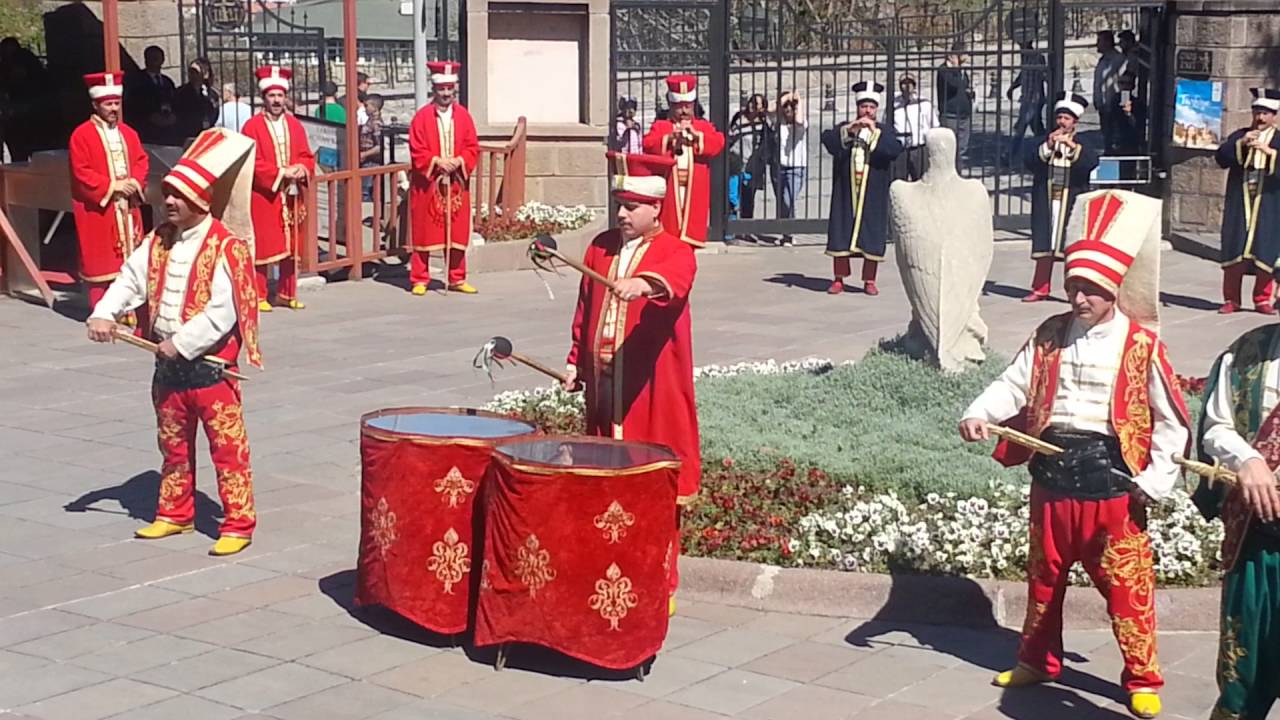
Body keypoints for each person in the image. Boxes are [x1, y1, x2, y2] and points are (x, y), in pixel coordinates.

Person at [959, 189, 1190, 720]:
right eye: (1074, 288)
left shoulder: (1142, 345)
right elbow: (1013, 383)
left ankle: (1142, 679)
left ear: (1112, 289)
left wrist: (1153, 481)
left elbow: (1171, 421)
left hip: (1113, 482)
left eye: (1090, 289)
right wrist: (979, 411)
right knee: (1044, 578)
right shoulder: (1049, 333)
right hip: (1051, 474)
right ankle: (1038, 660)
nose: (1079, 298)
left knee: (1127, 587)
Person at [85, 127, 263, 557]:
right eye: (167, 194)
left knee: (228, 449)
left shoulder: (226, 246)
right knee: (173, 446)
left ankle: (238, 522)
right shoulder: (158, 240)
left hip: (210, 369)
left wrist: (182, 342)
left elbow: (224, 310)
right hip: (167, 368)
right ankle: (175, 513)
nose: (168, 201)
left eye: (178, 196)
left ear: (200, 200)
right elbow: (130, 279)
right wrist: (104, 313)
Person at [561, 150, 698, 616]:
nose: (622, 213)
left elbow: (675, 282)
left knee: (652, 486)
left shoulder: (675, 250)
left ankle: (662, 578)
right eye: (619, 204)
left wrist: (644, 284)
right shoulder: (599, 247)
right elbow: (584, 313)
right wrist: (575, 365)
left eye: (632, 206)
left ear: (656, 208)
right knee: (604, 485)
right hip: (604, 392)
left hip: (649, 393)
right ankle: (606, 568)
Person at [1194, 321, 1280, 720]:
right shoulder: (1246, 353)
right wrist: (1248, 458)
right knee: (1242, 671)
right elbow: (1216, 427)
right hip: (1257, 541)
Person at [69, 73, 149, 312]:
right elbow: (80, 171)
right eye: (108, 104)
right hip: (100, 209)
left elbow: (141, 160)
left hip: (127, 208)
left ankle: (129, 308)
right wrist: (112, 186)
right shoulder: (81, 135)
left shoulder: (129, 133)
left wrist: (134, 182)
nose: (114, 108)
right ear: (95, 104)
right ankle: (101, 311)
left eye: (117, 103)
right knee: (101, 263)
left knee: (130, 261)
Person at [240, 66, 315, 312]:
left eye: (280, 96)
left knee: (293, 244)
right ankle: (260, 294)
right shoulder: (251, 126)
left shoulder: (295, 125)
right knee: (264, 244)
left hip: (292, 194)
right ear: (264, 97)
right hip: (266, 194)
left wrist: (302, 168)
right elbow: (251, 161)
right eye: (272, 96)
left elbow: (306, 155)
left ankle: (287, 292)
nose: (276, 100)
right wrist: (281, 172)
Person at [822, 81, 902, 296]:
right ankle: (839, 278)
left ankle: (869, 280)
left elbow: (894, 150)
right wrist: (850, 131)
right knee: (842, 231)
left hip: (872, 192)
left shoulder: (885, 131)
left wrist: (874, 134)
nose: (867, 111)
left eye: (871, 107)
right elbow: (828, 141)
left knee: (872, 233)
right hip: (847, 191)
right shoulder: (846, 127)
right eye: (864, 106)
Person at [408, 60, 480, 295]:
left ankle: (457, 277)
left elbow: (472, 147)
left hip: (457, 184)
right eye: (442, 89)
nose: (446, 93)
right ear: (434, 90)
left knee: (457, 232)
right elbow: (417, 149)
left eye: (450, 89)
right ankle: (420, 278)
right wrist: (437, 162)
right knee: (424, 231)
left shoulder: (464, 116)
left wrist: (459, 161)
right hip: (429, 185)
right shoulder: (421, 117)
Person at [1023, 92, 1099, 302]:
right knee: (1044, 245)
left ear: (1074, 121)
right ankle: (1040, 288)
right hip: (1046, 199)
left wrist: (1073, 147)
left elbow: (1091, 163)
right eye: (1059, 118)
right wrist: (1048, 145)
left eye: (1066, 118)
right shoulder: (1044, 140)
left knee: (1071, 249)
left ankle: (1075, 292)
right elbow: (1030, 162)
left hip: (1071, 199)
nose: (1061, 122)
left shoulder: (1083, 142)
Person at [1216, 88, 1280, 315]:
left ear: (1274, 116)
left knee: (1266, 250)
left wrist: (1270, 153)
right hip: (1240, 201)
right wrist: (1241, 144)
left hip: (1268, 203)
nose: (1260, 118)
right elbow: (1221, 158)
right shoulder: (1240, 134)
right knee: (1235, 250)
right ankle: (1231, 299)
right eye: (1257, 112)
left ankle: (1262, 299)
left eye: (1266, 113)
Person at [642, 73, 726, 248]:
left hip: (694, 189)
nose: (684, 111)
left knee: (690, 230)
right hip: (670, 188)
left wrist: (697, 138)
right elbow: (648, 144)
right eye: (679, 107)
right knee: (668, 233)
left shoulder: (703, 126)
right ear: (671, 106)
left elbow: (718, 142)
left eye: (687, 106)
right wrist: (670, 138)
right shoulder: (661, 126)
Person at [726, 93, 770, 243]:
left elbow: (766, 144)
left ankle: (746, 230)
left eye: (756, 103)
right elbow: (730, 137)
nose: (752, 105)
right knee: (732, 197)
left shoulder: (763, 123)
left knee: (748, 198)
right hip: (735, 162)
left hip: (752, 165)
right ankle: (730, 231)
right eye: (751, 102)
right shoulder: (739, 118)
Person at [772, 91, 807, 245]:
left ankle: (790, 232)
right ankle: (787, 234)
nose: (788, 110)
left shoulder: (801, 124)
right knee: (782, 202)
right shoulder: (778, 123)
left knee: (788, 199)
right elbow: (771, 110)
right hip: (779, 167)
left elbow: (799, 120)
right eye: (785, 107)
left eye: (791, 107)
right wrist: (785, 98)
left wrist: (799, 100)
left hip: (796, 168)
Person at [124, 45, 178, 145]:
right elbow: (133, 105)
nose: (155, 62)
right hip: (147, 131)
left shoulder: (167, 82)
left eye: (157, 58)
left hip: (167, 132)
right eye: (152, 58)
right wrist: (149, 117)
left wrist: (173, 116)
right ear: (146, 60)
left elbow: (174, 101)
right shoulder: (137, 81)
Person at [1007, 40, 1048, 165]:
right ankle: (1044, 149)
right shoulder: (1025, 58)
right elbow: (1023, 75)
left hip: (1034, 98)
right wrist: (1013, 87)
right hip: (1026, 97)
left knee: (1020, 127)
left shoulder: (1037, 57)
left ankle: (1008, 155)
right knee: (1037, 128)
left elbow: (1044, 75)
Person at [892, 73, 938, 180]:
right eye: (904, 83)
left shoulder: (924, 103)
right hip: (901, 149)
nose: (907, 86)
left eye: (910, 83)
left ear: (914, 85)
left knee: (921, 180)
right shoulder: (894, 104)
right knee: (899, 181)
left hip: (919, 148)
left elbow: (934, 125)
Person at [936, 43, 973, 169]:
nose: (967, 56)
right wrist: (955, 68)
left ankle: (959, 174)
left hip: (964, 115)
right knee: (949, 150)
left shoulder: (962, 70)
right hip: (950, 115)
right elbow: (954, 85)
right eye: (965, 53)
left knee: (961, 150)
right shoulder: (944, 70)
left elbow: (964, 86)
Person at [1095, 30, 1127, 151]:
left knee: (1115, 138)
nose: (1097, 44)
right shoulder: (1103, 60)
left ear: (1108, 42)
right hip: (1103, 106)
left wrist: (1123, 104)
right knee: (1106, 137)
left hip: (1114, 106)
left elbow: (1124, 84)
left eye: (1099, 41)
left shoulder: (1119, 60)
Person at [173, 57, 219, 142]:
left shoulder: (212, 94)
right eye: (190, 72)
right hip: (187, 136)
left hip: (206, 135)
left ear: (205, 74)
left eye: (196, 72)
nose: (192, 75)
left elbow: (214, 112)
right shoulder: (180, 92)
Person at [1109, 73, 1147, 155]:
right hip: (1115, 142)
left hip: (1131, 143)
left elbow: (1139, 125)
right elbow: (1109, 121)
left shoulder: (1138, 104)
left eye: (1128, 84)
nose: (1125, 87)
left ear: (1132, 86)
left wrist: (1129, 114)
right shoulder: (1113, 101)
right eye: (1122, 83)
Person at [359, 94, 385, 202]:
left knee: (366, 191)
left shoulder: (376, 123)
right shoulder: (369, 121)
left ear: (374, 107)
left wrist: (364, 154)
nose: (364, 108)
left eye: (366, 106)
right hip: (365, 161)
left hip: (371, 162)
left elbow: (380, 146)